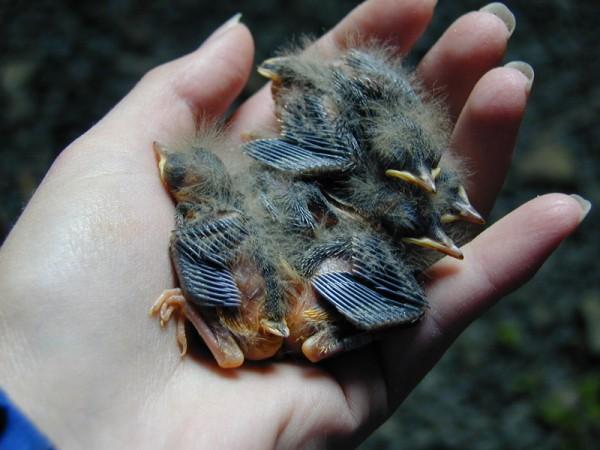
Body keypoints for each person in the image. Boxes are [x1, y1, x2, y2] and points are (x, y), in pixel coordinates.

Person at [0, 1, 590, 448]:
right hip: (307, 271)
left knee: (318, 290)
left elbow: (311, 202)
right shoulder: (248, 222)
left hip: (320, 262)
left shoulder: (287, 198)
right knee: (306, 302)